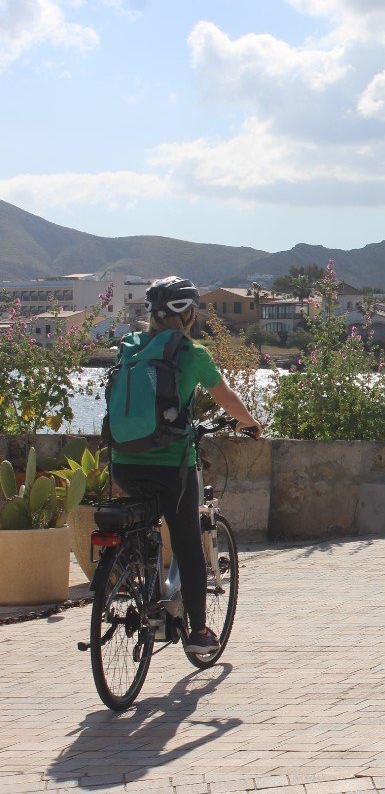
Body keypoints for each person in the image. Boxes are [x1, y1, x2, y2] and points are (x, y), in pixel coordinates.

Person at [110, 276, 261, 656]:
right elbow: (226, 399)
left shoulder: (129, 349)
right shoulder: (192, 354)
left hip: (123, 462)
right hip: (171, 468)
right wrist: (251, 423)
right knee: (188, 545)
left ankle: (140, 583)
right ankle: (198, 633)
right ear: (188, 314)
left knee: (142, 528)